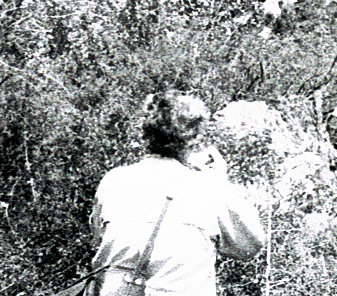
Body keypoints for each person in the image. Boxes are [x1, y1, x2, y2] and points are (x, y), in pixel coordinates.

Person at [89, 91, 266, 296]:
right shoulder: (209, 187)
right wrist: (221, 181)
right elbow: (250, 246)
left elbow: (98, 238)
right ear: (194, 136)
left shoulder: (114, 181)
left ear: (146, 133)